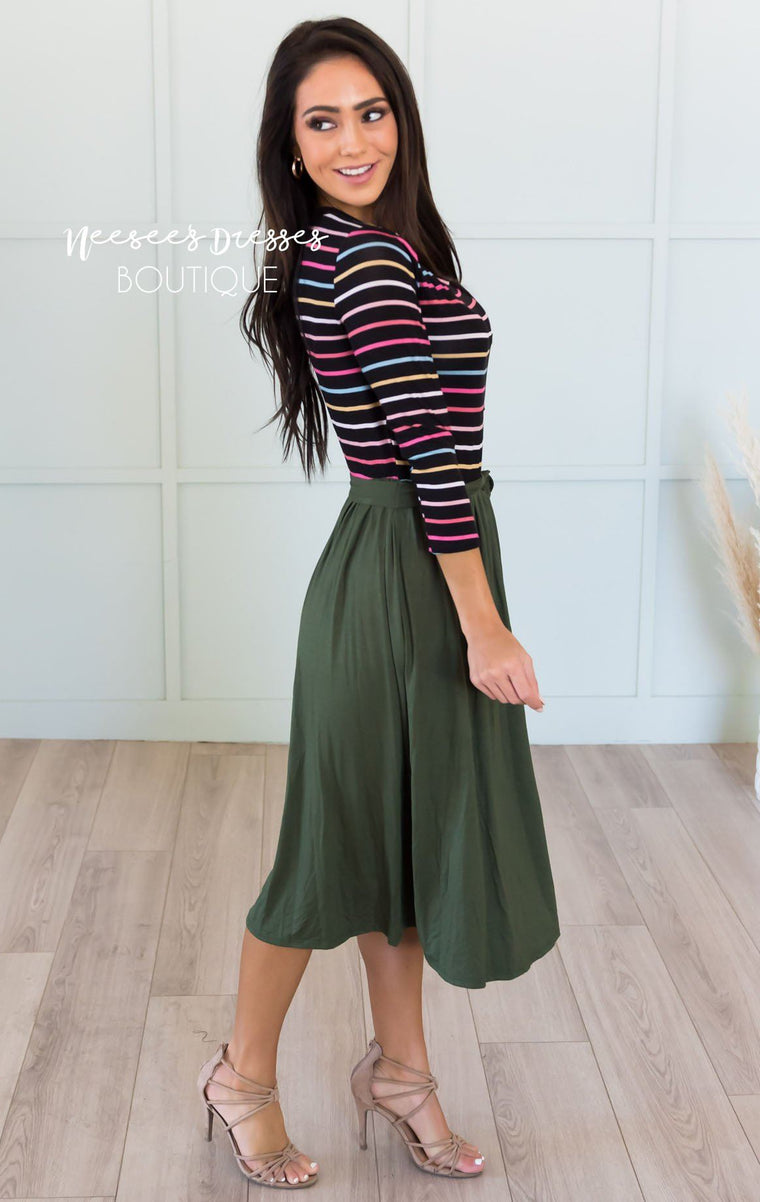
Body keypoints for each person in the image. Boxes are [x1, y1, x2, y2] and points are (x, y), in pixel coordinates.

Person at [197, 16, 561, 1190]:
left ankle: (400, 1071)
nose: (352, 140)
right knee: (330, 851)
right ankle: (241, 1075)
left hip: (415, 562)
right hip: (408, 572)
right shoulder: (357, 259)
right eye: (322, 121)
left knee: (397, 846)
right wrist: (482, 622)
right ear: (288, 144)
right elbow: (426, 454)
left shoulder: (380, 246)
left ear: (400, 120)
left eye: (371, 111)